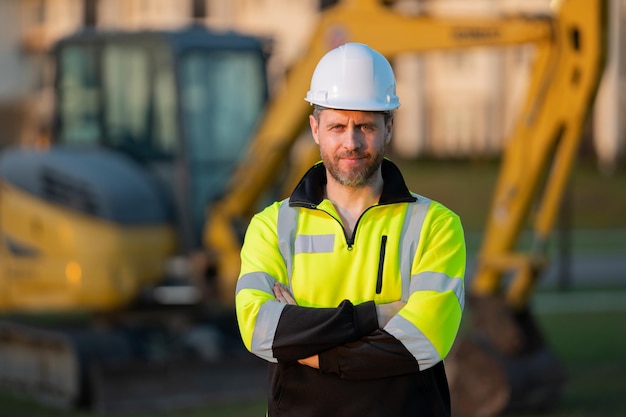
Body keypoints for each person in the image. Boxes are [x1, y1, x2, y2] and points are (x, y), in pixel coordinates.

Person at [235, 42, 466, 417]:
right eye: (337, 126)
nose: (351, 142)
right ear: (315, 129)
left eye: (365, 126)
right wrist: (374, 317)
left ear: (389, 126)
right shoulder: (271, 227)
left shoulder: (436, 226)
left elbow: (420, 342)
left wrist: (309, 350)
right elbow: (261, 330)